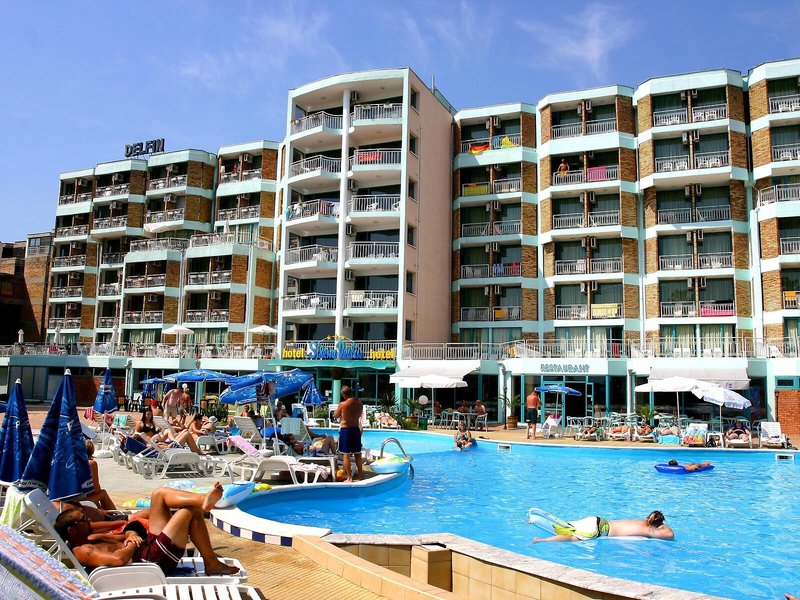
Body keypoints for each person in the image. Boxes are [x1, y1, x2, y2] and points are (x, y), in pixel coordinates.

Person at [54, 483, 239, 576]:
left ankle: (203, 499)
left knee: (159, 494)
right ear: (72, 530)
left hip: (148, 547)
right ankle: (211, 563)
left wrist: (131, 534)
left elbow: (123, 536)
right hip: (152, 560)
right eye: (83, 520)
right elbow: (118, 559)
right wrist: (132, 544)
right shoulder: (83, 551)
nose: (88, 520)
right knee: (189, 511)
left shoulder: (91, 538)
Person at [532, 510, 674, 542]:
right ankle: (541, 540)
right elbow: (670, 535)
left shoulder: (638, 521)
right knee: (572, 538)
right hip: (598, 530)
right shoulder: (649, 530)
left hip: (597, 520)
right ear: (658, 524)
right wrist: (661, 525)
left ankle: (539, 519)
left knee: (569, 524)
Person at [334, 386, 363, 481]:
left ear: (343, 394)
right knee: (357, 454)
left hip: (346, 430)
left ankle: (350, 478)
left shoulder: (343, 404)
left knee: (345, 454)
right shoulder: (360, 403)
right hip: (356, 429)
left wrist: (338, 414)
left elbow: (335, 415)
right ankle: (361, 476)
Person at [84, 440, 117, 511]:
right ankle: (116, 515)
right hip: (80, 502)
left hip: (66, 501)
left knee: (92, 494)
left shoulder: (70, 464)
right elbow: (97, 489)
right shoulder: (90, 464)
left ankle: (103, 511)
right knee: (102, 493)